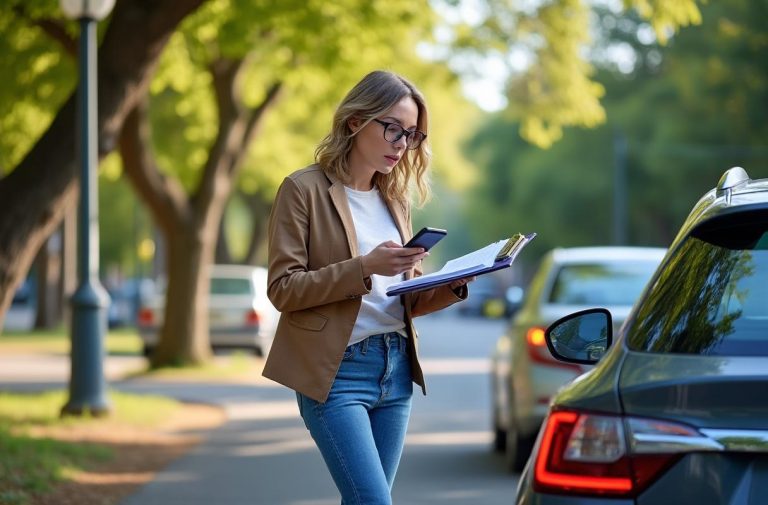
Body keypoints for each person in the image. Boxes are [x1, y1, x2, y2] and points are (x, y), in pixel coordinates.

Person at [263, 70, 472, 504]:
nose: (401, 143)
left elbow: (401, 301)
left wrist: (452, 283)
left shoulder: (394, 201)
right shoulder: (302, 190)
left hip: (394, 369)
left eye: (411, 135)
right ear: (356, 121)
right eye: (393, 128)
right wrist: (364, 266)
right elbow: (283, 289)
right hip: (335, 373)